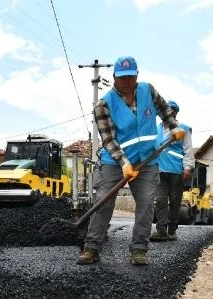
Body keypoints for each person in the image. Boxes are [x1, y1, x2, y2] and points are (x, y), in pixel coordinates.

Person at [77, 56, 185, 266]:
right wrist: (124, 164)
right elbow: (108, 139)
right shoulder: (103, 105)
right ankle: (91, 247)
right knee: (104, 201)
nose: (126, 82)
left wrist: (173, 126)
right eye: (122, 78)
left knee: (146, 204)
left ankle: (139, 249)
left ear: (136, 75)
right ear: (114, 77)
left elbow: (165, 109)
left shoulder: (148, 91)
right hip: (113, 161)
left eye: (130, 77)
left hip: (147, 159)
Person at [150, 100, 194, 242]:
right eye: (167, 111)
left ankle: (172, 230)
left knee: (175, 201)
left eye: (172, 111)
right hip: (159, 169)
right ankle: (161, 230)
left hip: (176, 171)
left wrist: (188, 167)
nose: (169, 113)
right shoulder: (155, 129)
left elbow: (188, 150)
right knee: (161, 201)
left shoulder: (183, 129)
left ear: (175, 113)